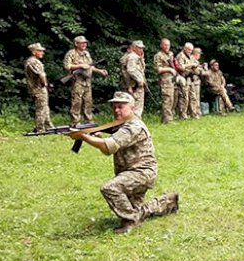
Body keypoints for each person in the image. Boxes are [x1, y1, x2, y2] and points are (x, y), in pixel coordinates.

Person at [67, 92, 179, 234]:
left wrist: (83, 136)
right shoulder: (121, 125)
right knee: (137, 210)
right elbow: (108, 149)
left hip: (141, 173)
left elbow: (109, 147)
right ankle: (169, 201)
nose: (116, 110)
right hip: (131, 172)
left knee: (110, 188)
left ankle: (131, 222)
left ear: (132, 108)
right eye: (114, 107)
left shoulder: (133, 126)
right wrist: (97, 138)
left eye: (121, 107)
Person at [63, 36, 108, 125]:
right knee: (77, 102)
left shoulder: (86, 54)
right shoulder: (71, 53)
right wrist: (80, 66)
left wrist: (99, 71)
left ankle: (89, 120)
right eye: (82, 43)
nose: (84, 44)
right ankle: (75, 121)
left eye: (85, 43)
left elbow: (90, 66)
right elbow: (67, 66)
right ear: (76, 44)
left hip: (87, 82)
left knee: (88, 102)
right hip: (77, 81)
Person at [24, 43, 54, 132]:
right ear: (34, 52)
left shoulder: (30, 61)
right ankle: (40, 128)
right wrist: (46, 85)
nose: (42, 53)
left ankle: (49, 126)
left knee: (45, 107)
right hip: (38, 89)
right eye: (40, 51)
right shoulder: (34, 62)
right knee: (41, 109)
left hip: (35, 88)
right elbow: (41, 74)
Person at [153, 38, 177, 123]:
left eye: (168, 45)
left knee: (172, 99)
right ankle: (168, 120)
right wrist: (169, 69)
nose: (167, 47)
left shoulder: (170, 54)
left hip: (172, 80)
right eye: (165, 45)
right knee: (167, 99)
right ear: (161, 45)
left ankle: (165, 118)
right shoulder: (158, 55)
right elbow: (158, 69)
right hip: (165, 80)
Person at [122, 40, 147, 117]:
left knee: (134, 106)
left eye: (142, 48)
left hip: (133, 85)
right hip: (135, 85)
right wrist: (139, 80)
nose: (141, 50)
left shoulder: (135, 57)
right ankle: (136, 123)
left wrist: (142, 59)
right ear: (134, 48)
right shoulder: (133, 57)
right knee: (137, 107)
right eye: (139, 48)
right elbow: (131, 70)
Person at [183, 47, 206, 119]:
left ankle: (196, 112)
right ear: (196, 54)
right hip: (193, 81)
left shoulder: (196, 61)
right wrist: (201, 70)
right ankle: (194, 113)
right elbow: (196, 71)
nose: (200, 56)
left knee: (195, 98)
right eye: (199, 54)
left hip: (195, 81)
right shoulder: (192, 60)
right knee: (194, 98)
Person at [174, 42, 193, 120]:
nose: (190, 51)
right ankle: (182, 114)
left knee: (187, 97)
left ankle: (185, 113)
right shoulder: (181, 56)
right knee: (183, 96)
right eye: (189, 49)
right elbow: (180, 67)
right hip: (181, 77)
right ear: (184, 48)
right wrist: (190, 65)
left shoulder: (188, 56)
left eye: (191, 50)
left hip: (187, 78)